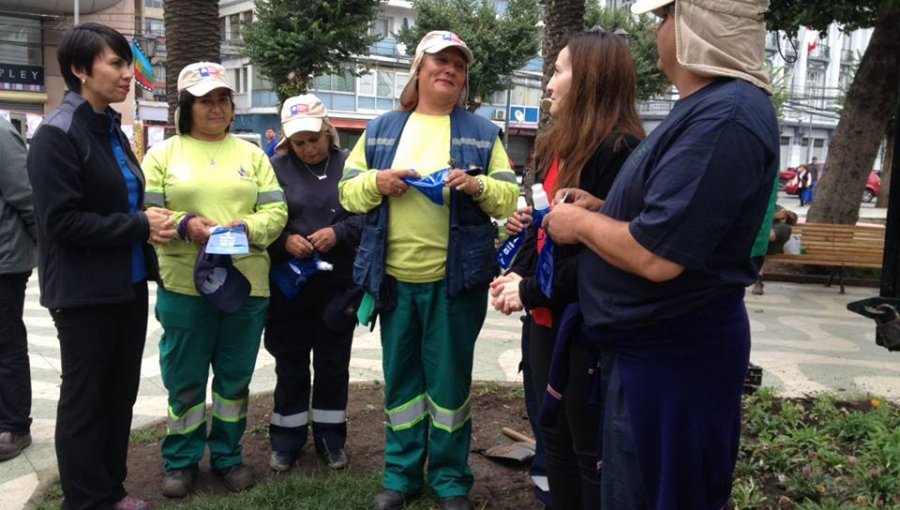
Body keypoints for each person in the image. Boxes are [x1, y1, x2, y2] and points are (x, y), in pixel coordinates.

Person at [541, 0, 779, 508]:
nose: (658, 30)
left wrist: (580, 224)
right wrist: (604, 208)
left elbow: (658, 257)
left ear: (699, 22)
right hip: (652, 358)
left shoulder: (725, 117)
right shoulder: (709, 108)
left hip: (673, 366)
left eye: (664, 17)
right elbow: (680, 225)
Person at [339, 30, 519, 510]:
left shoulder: (482, 132)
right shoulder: (380, 129)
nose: (450, 70)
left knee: (449, 387)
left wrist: (478, 186)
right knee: (401, 384)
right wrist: (378, 181)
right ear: (418, 68)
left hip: (454, 284)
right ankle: (400, 478)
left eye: (458, 65)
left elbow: (508, 196)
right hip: (394, 281)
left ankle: (449, 482)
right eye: (440, 61)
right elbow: (347, 191)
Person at [489, 29, 644, 510]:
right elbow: (553, 227)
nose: (549, 84)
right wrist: (523, 250)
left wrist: (530, 289)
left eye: (558, 71)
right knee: (550, 432)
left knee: (587, 449)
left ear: (592, 79)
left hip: (585, 327)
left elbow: (609, 254)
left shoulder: (621, 151)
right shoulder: (558, 143)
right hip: (544, 321)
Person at [27, 22, 176, 510]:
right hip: (83, 292)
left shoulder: (110, 125)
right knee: (86, 402)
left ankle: (111, 492)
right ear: (79, 69)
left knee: (119, 397)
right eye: (115, 63)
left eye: (126, 62)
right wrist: (137, 225)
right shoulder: (57, 134)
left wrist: (149, 225)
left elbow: (122, 200)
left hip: (127, 286)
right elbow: (61, 222)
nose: (127, 73)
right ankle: (86, 500)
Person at [143, 62, 287, 498]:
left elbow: (276, 213)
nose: (216, 107)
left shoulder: (253, 156)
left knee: (233, 379)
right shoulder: (163, 155)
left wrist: (245, 230)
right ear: (186, 106)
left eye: (223, 98)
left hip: (246, 285)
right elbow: (149, 216)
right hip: (185, 286)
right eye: (205, 100)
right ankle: (180, 460)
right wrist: (186, 223)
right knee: (184, 377)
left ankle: (228, 455)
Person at [264, 94, 363, 472]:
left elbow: (368, 218)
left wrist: (338, 233)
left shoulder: (350, 166)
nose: (308, 148)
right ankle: (286, 439)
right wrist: (284, 239)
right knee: (289, 362)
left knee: (333, 363)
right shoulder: (274, 168)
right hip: (289, 284)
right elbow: (262, 216)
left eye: (314, 139)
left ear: (329, 132)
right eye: (300, 142)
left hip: (337, 285)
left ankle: (330, 439)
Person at [0, 116, 36, 463]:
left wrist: (46, 248)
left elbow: (25, 194)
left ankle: (14, 425)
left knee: (5, 341)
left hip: (4, 259)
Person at [751, 206, 797, 295]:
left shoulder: (783, 223)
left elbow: (793, 220)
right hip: (759, 240)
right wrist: (774, 216)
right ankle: (758, 280)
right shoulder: (758, 204)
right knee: (760, 247)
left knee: (783, 229)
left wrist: (789, 215)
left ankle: (758, 280)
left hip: (771, 240)